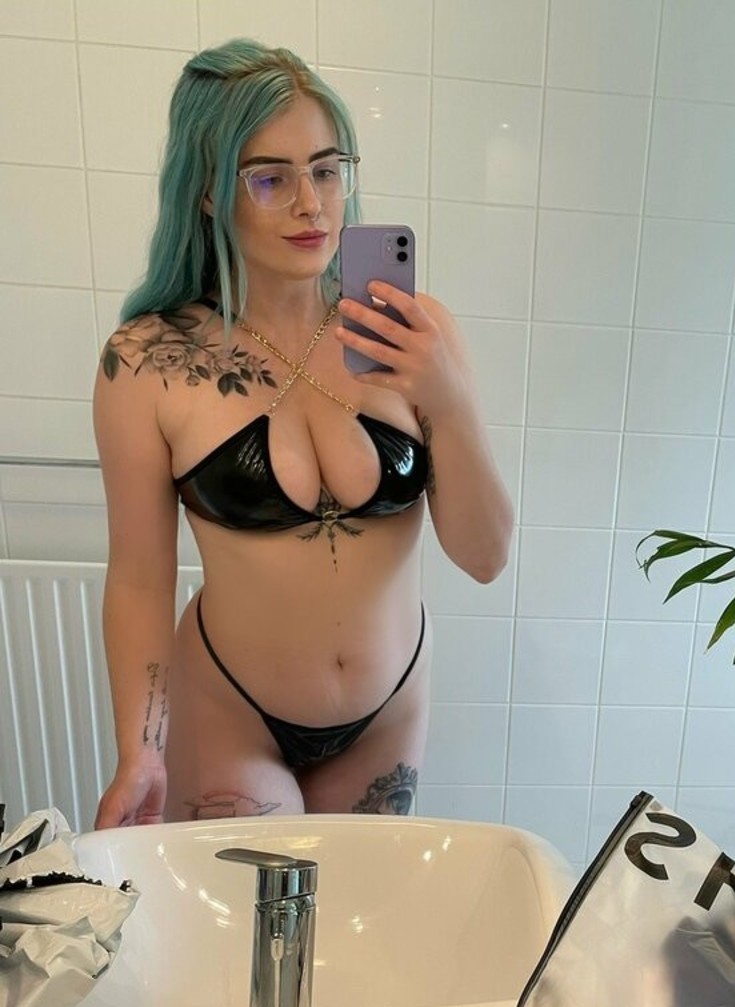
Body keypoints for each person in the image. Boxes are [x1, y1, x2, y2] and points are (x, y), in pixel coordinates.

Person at [92, 39, 513, 829]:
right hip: (230, 712)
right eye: (270, 178)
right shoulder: (147, 361)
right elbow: (141, 578)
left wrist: (449, 402)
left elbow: (486, 557)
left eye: (326, 169)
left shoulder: (416, 335)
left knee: (359, 905)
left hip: (388, 711)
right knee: (256, 906)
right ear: (208, 192)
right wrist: (139, 752)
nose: (312, 204)